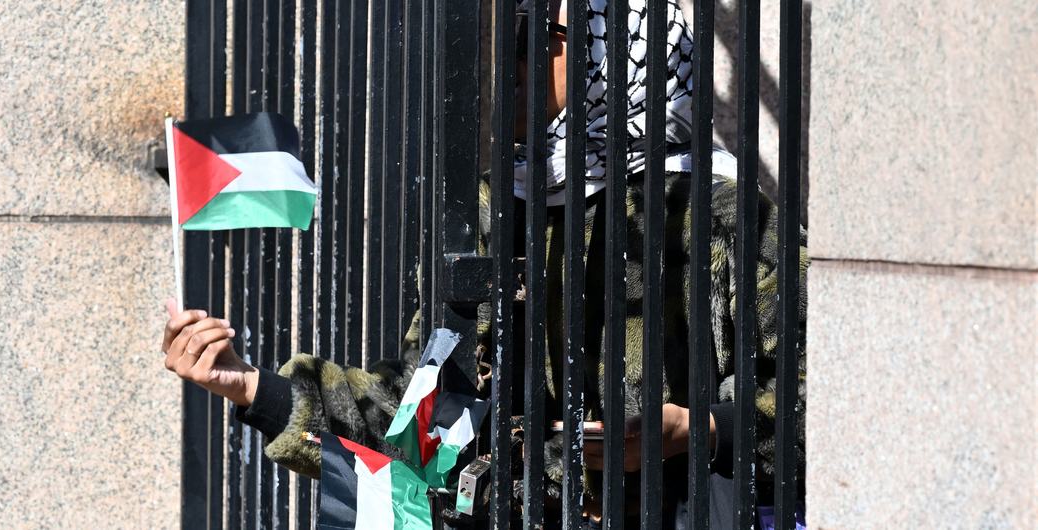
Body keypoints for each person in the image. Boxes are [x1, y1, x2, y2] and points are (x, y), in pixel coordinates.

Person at [161, 0, 807, 526]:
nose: (512, 58)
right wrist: (250, 387)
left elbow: (820, 412)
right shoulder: (497, 209)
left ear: (611, 48)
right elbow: (415, 412)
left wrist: (700, 431)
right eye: (509, 31)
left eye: (536, 34)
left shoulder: (723, 219)